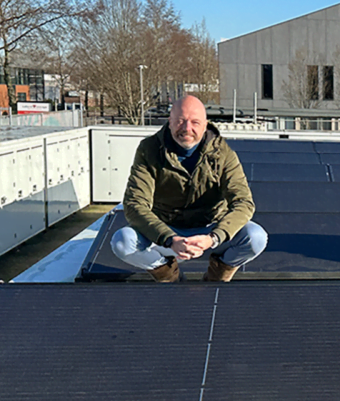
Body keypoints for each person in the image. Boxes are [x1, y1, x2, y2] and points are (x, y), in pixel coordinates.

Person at [111, 95, 267, 282]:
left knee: (255, 237)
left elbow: (243, 203)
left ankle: (216, 278)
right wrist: (170, 239)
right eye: (180, 121)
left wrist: (213, 238)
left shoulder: (223, 154)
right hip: (166, 230)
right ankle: (169, 276)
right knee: (122, 242)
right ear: (169, 122)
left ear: (205, 124)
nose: (187, 128)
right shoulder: (149, 150)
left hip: (210, 229)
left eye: (195, 122)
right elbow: (135, 204)